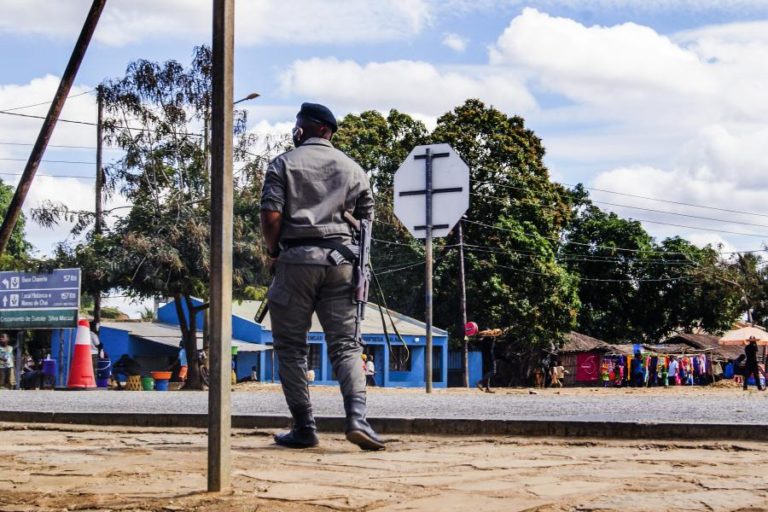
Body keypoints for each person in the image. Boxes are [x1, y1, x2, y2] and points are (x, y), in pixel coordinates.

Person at [260, 102, 383, 451]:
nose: (294, 131)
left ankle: (304, 427)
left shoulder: (282, 163)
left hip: (295, 261)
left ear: (315, 129)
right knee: (346, 345)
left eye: (298, 125)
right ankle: (358, 419)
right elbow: (367, 225)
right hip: (343, 263)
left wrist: (274, 252)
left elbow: (270, 216)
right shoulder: (354, 169)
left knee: (291, 348)